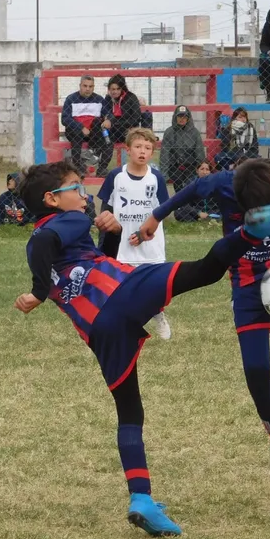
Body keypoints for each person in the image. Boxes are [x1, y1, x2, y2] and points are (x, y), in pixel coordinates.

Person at [15, 159, 270, 535]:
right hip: (123, 292)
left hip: (98, 329)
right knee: (205, 271)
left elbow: (87, 258)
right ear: (52, 200)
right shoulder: (68, 221)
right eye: (75, 188)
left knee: (129, 413)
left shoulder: (41, 240)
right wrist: (40, 293)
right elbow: (53, 238)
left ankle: (141, 497)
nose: (83, 194)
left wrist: (107, 236)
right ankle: (251, 232)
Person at [134, 160, 270, 488]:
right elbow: (188, 192)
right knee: (256, 369)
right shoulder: (222, 183)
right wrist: (155, 217)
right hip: (246, 280)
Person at [97, 127, 173, 341]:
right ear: (127, 150)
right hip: (123, 245)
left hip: (150, 244)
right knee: (123, 287)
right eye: (138, 147)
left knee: (153, 287)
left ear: (152, 152)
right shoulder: (116, 176)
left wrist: (143, 233)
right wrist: (107, 231)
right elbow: (106, 208)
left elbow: (163, 212)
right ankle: (126, 325)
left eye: (147, 148)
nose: (142, 151)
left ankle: (158, 315)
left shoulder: (155, 178)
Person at [98, 74, 143, 175]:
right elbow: (104, 113)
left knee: (134, 142)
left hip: (128, 130)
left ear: (122, 88)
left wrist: (114, 122)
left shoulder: (131, 97)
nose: (115, 91)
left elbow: (136, 118)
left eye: (118, 89)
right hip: (113, 131)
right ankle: (101, 168)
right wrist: (106, 119)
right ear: (109, 89)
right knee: (106, 138)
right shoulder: (108, 99)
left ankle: (137, 169)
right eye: (112, 89)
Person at [61, 75, 106, 175]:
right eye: (85, 86)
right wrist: (81, 127)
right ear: (80, 85)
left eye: (90, 86)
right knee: (76, 133)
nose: (87, 89)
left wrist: (107, 119)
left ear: (93, 87)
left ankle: (96, 165)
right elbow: (64, 119)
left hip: (93, 133)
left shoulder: (99, 99)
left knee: (99, 124)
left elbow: (106, 115)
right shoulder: (71, 99)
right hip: (75, 132)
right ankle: (78, 168)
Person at [161, 105, 208, 192]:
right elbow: (165, 154)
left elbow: (199, 152)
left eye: (184, 116)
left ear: (188, 118)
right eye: (179, 116)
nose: (182, 118)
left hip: (191, 166)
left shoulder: (195, 132)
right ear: (175, 117)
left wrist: (199, 169)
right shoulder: (169, 132)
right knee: (178, 182)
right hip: (175, 166)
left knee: (191, 184)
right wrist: (164, 174)